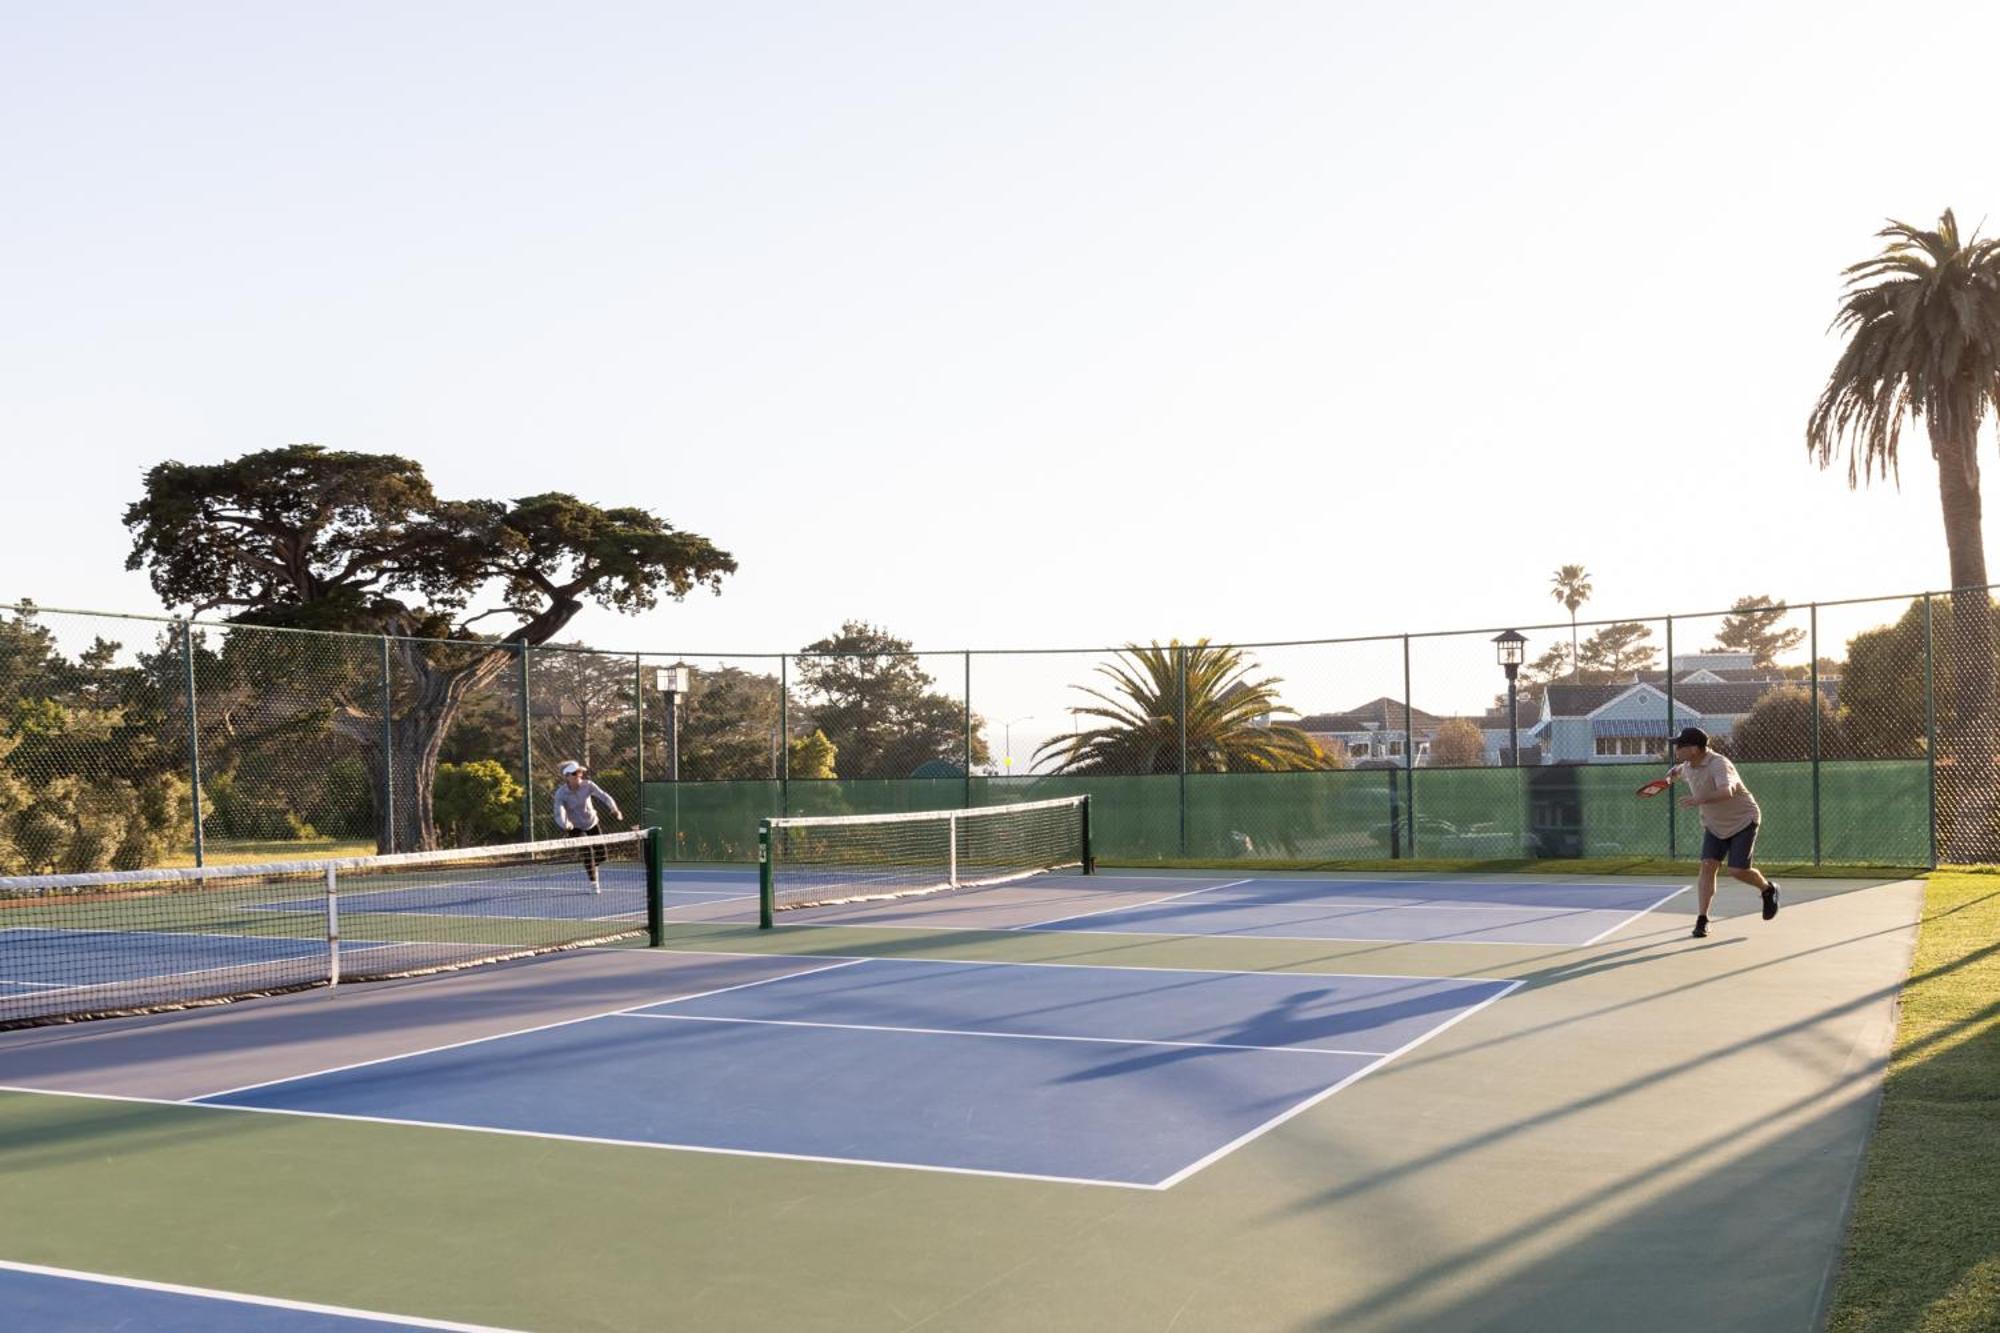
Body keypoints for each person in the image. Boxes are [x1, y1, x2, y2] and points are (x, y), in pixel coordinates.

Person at [1668, 726, 1779, 938]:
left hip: (1743, 821)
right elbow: (1676, 772)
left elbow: (1726, 791)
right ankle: (1702, 920)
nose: (1676, 750)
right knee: (1708, 866)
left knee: (1738, 870)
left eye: (1679, 746)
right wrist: (1669, 776)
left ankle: (1767, 889)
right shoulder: (1688, 765)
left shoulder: (1720, 764)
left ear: (1693, 749)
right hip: (1714, 825)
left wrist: (1697, 800)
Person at [552, 760, 623, 891]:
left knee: (602, 856)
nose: (579, 775)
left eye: (580, 772)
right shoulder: (561, 793)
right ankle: (593, 883)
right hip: (574, 827)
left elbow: (604, 796)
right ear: (567, 776)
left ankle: (591, 867)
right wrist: (565, 824)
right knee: (587, 853)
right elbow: (559, 813)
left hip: (592, 822)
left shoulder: (588, 785)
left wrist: (614, 809)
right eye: (575, 773)